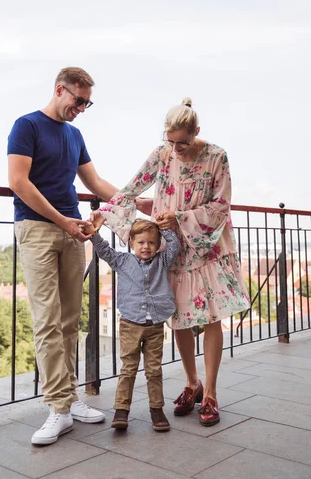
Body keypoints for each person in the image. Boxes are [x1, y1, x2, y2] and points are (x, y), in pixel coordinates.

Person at [93, 98, 250, 427]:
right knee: (177, 315)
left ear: (197, 132)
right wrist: (104, 214)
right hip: (173, 248)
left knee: (211, 317)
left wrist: (179, 217)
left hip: (207, 245)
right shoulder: (161, 154)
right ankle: (193, 383)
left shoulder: (217, 156)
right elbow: (132, 188)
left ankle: (212, 394)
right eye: (171, 141)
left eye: (184, 142)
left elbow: (221, 206)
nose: (176, 148)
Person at [7, 67, 118, 446]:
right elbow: (18, 182)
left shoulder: (75, 135)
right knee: (47, 320)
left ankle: (70, 400)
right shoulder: (26, 126)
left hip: (73, 233)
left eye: (88, 102)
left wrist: (132, 204)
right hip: (38, 230)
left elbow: (96, 183)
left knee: (71, 318)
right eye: (78, 100)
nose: (82, 108)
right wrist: (62, 221)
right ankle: (57, 407)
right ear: (60, 89)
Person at [89, 219, 179, 432]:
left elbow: (174, 246)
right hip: (130, 323)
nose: (146, 246)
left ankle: (156, 409)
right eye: (141, 242)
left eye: (150, 242)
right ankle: (121, 410)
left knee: (154, 370)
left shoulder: (162, 261)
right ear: (131, 243)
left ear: (157, 245)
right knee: (128, 368)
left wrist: (163, 227)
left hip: (155, 324)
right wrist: (94, 234)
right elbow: (103, 250)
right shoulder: (122, 261)